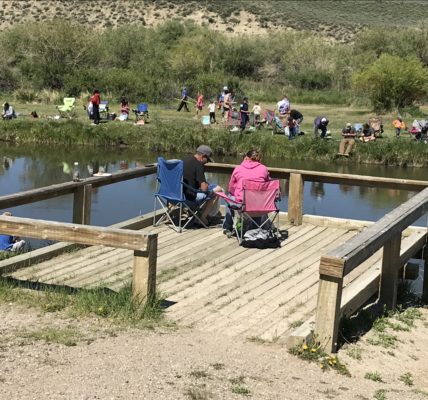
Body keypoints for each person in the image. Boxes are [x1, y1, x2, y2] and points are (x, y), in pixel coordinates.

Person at [222, 149, 270, 234]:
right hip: (260, 204)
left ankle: (227, 227)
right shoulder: (264, 169)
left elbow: (231, 188)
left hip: (243, 204)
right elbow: (268, 184)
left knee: (228, 197)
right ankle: (262, 226)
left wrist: (236, 192)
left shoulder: (238, 168)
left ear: (246, 157)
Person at [182, 145, 222, 226]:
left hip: (177, 196)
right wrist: (205, 185)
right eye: (207, 159)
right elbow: (204, 189)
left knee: (213, 189)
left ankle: (198, 214)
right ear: (203, 156)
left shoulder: (183, 161)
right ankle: (202, 218)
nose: (207, 162)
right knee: (219, 190)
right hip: (190, 198)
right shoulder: (198, 165)